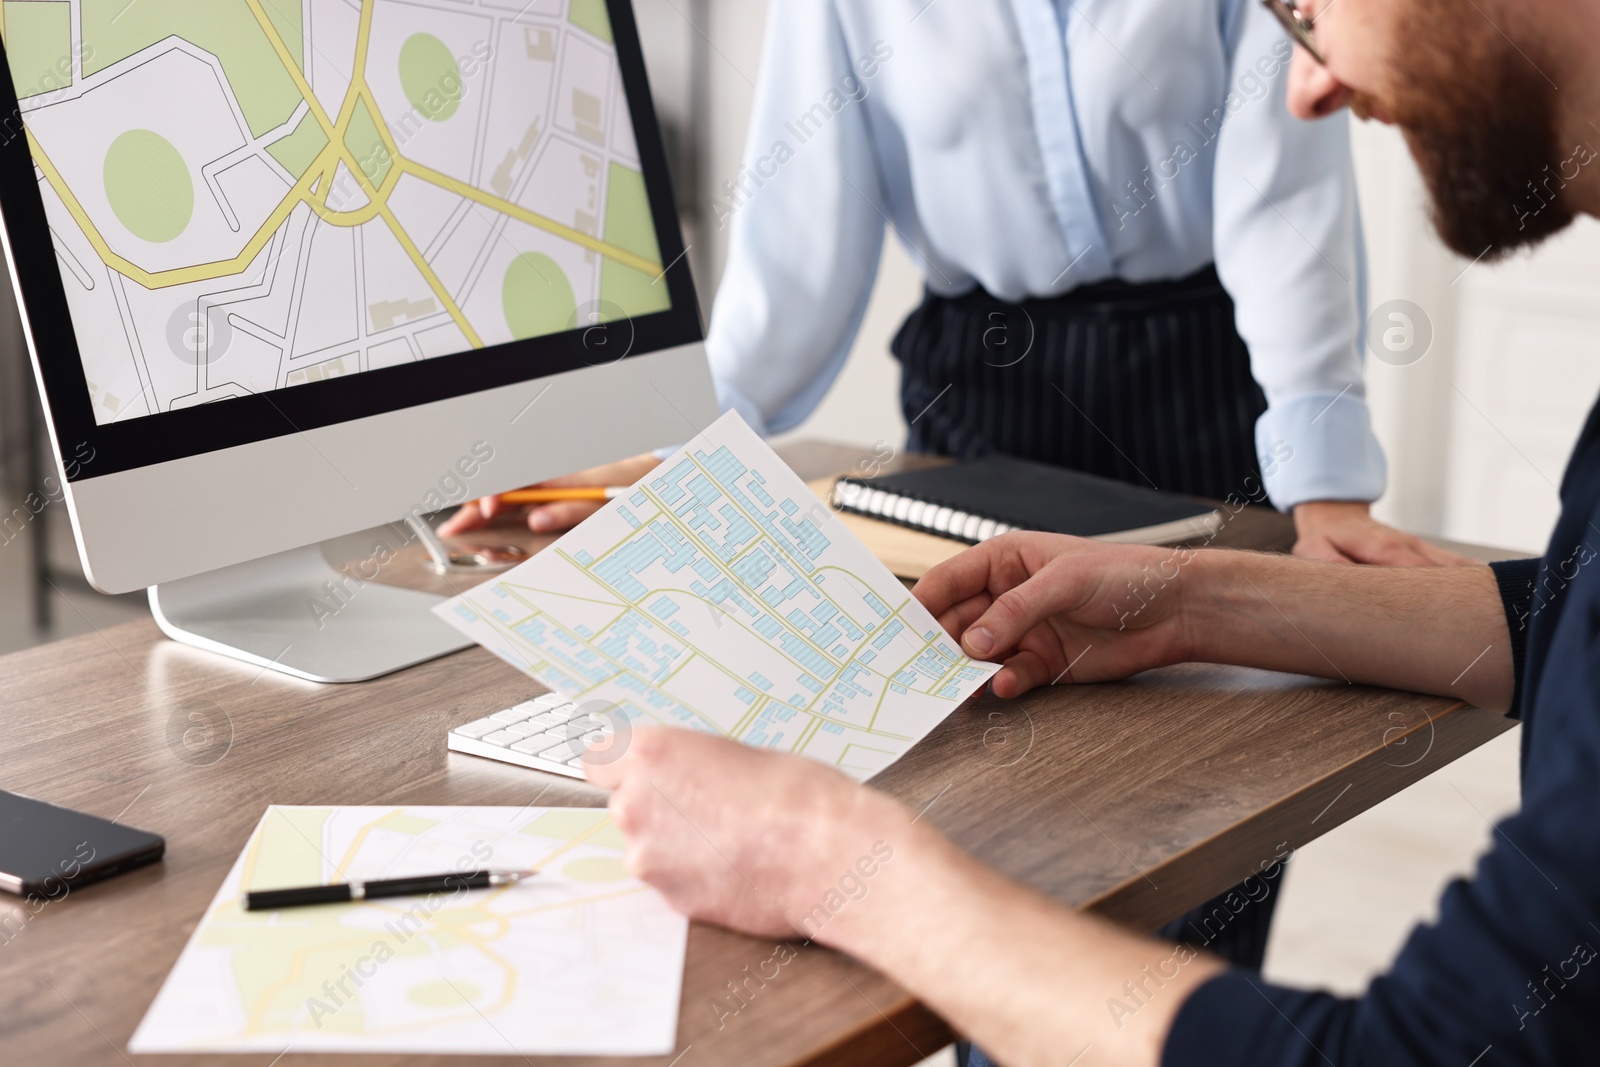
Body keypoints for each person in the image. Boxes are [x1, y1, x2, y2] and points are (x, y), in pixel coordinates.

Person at [581, 0, 1600, 1063]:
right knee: (996, 826)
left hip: (1198, 387)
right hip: (987, 399)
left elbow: (1426, 1050)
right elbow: (1572, 617)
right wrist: (1195, 600)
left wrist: (831, 859)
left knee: (1191, 861)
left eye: (1307, 9)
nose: (1309, 87)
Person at [442, 0, 1473, 565]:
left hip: (1202, 383)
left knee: (1214, 783)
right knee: (993, 771)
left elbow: (1282, 206)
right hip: (978, 394)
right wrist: (679, 450)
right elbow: (801, 236)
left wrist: (1327, 486)